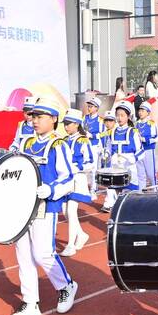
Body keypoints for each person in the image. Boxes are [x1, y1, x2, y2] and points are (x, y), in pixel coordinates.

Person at [10, 100, 78, 315]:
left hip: (45, 206)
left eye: (40, 117)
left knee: (42, 253)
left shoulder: (59, 146)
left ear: (54, 119)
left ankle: (66, 285)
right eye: (33, 116)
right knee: (23, 254)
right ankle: (30, 302)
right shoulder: (26, 142)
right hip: (22, 205)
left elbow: (68, 178)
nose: (35, 120)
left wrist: (51, 189)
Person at [60, 110, 95, 256]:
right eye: (65, 124)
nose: (66, 127)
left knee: (71, 211)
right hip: (66, 179)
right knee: (64, 210)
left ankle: (70, 245)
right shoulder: (63, 140)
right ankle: (81, 235)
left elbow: (90, 162)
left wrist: (77, 168)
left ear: (76, 124)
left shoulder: (83, 141)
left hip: (78, 179)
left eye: (68, 124)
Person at [101, 102, 143, 211]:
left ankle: (132, 209)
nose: (119, 118)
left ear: (128, 117)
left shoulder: (133, 132)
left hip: (129, 164)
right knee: (112, 186)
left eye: (122, 115)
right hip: (116, 163)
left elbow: (141, 150)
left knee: (130, 189)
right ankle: (111, 205)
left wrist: (133, 158)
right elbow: (109, 147)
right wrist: (106, 154)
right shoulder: (112, 132)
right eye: (117, 115)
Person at [82, 96, 103, 192]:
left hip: (95, 145)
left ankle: (94, 187)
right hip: (86, 145)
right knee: (86, 166)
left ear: (97, 108)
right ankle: (86, 186)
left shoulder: (100, 120)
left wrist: (92, 136)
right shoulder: (85, 118)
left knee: (94, 167)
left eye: (91, 106)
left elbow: (103, 133)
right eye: (88, 106)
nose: (89, 108)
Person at [135, 101, 158, 188]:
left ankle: (155, 190)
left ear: (148, 112)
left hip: (148, 150)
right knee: (140, 173)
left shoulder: (151, 124)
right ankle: (141, 192)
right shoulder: (137, 124)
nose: (140, 112)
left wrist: (144, 139)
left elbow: (156, 138)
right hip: (139, 151)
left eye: (143, 111)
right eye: (140, 110)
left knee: (151, 173)